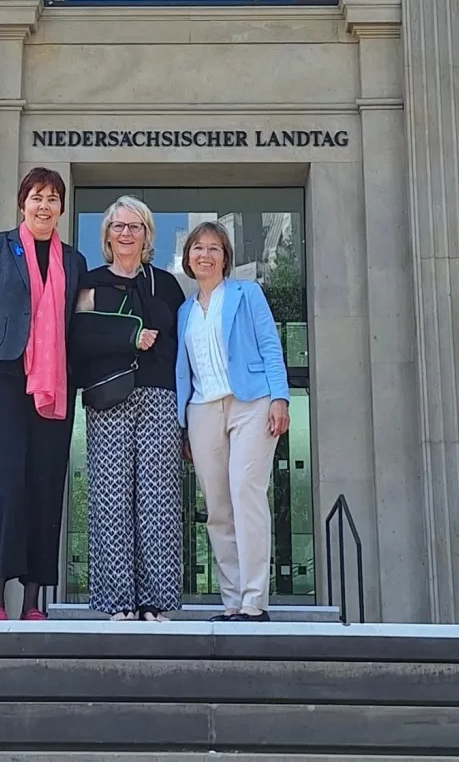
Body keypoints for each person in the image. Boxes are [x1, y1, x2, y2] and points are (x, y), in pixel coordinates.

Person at [0, 167, 87, 621]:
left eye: (53, 198)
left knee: (45, 486)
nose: (44, 205)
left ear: (61, 207)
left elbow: (81, 328)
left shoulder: (73, 261)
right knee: (6, 483)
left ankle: (33, 602)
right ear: (22, 203)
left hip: (55, 385)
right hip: (3, 379)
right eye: (37, 196)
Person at [69, 196, 186, 621]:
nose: (125, 234)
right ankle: (117, 604)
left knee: (158, 498)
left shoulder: (167, 285)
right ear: (106, 235)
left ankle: (156, 603)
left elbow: (180, 345)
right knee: (110, 497)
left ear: (147, 234)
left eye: (134, 227)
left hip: (159, 395)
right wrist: (128, 339)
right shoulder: (91, 282)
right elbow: (80, 337)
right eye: (118, 227)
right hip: (107, 397)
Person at [175, 220, 290, 622]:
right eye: (197, 248)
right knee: (219, 508)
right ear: (188, 258)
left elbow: (270, 346)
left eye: (214, 248)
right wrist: (181, 426)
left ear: (225, 258)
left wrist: (280, 397)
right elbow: (182, 372)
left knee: (246, 492)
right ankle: (231, 601)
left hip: (251, 402)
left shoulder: (247, 293)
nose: (205, 255)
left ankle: (255, 600)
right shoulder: (184, 311)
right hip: (202, 409)